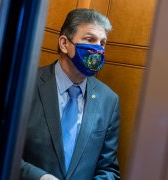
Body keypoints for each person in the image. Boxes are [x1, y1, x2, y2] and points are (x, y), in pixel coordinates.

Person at [21, 8, 120, 180]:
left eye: (102, 43)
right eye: (90, 39)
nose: (98, 49)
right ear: (64, 44)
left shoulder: (109, 100)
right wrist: (39, 177)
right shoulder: (25, 85)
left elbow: (108, 169)